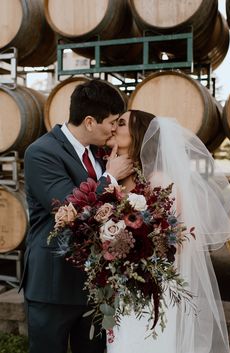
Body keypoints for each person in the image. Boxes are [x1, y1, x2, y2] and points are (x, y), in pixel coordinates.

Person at [106, 109, 230, 353]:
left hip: (151, 284)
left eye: (121, 123)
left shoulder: (160, 180)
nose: (114, 127)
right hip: (123, 281)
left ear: (138, 135)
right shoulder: (120, 177)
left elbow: (170, 240)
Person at [19, 79, 133, 353]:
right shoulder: (41, 152)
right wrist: (110, 177)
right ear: (91, 121)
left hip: (95, 286)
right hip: (53, 285)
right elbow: (72, 209)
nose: (115, 128)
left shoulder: (100, 151)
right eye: (113, 121)